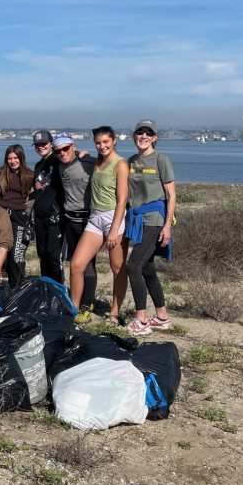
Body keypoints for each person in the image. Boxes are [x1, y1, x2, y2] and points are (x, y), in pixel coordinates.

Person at [68, 127, 129, 326]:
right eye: (98, 142)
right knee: (76, 265)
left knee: (117, 267)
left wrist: (113, 229)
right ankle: (73, 309)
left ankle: (114, 312)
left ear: (114, 141)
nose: (102, 146)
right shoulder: (96, 161)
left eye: (106, 142)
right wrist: (80, 154)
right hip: (95, 218)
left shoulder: (120, 165)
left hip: (114, 218)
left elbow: (122, 201)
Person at [122, 119, 177, 337]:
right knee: (147, 268)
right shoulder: (131, 161)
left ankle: (141, 320)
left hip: (154, 219)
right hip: (137, 219)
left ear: (154, 137)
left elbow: (171, 196)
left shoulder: (161, 159)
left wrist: (167, 226)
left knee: (133, 266)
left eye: (148, 133)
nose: (143, 136)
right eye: (140, 132)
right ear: (134, 136)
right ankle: (162, 317)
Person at [53, 132, 98, 314]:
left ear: (74, 147)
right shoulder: (59, 166)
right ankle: (77, 301)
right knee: (74, 262)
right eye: (59, 151)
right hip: (71, 219)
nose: (62, 153)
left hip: (89, 219)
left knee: (87, 264)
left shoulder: (89, 163)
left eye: (66, 148)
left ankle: (87, 303)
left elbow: (111, 167)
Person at [0, 144, 34, 288]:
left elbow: (38, 192)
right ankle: (0, 286)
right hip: (2, 216)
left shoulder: (29, 175)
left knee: (16, 255)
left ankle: (17, 287)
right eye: (9, 158)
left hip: (20, 217)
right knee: (1, 252)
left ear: (21, 158)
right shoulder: (0, 173)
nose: (13, 161)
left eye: (15, 158)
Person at [30, 130, 63, 283]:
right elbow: (37, 189)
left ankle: (58, 291)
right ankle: (46, 289)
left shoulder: (58, 160)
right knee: (42, 255)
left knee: (54, 257)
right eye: (37, 145)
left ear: (51, 144)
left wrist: (82, 154)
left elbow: (71, 155)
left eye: (43, 144)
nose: (40, 147)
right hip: (40, 215)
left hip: (54, 216)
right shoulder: (38, 166)